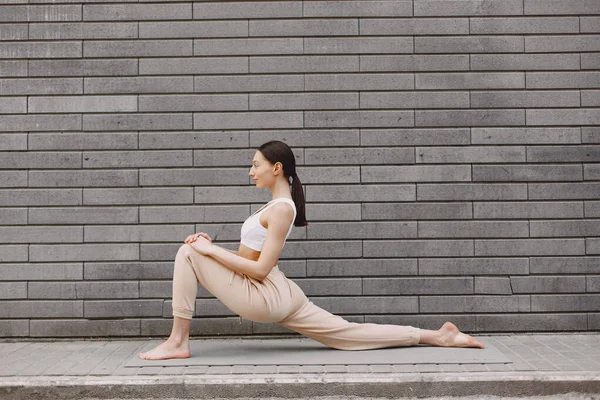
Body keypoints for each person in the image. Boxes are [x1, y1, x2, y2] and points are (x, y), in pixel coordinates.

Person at [139, 140, 484, 360]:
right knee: (346, 335)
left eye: (256, 165)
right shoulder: (276, 206)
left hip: (266, 290)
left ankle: (178, 341)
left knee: (186, 254)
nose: (250, 171)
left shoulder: (282, 209)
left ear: (276, 168)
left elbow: (258, 270)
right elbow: (251, 259)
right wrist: (211, 249)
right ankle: (438, 336)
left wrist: (209, 251)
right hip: (279, 291)